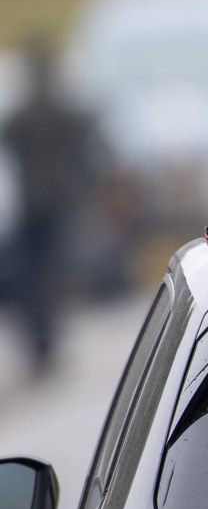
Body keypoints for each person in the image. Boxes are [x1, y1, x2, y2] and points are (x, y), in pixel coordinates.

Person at [1, 34, 102, 376]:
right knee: (45, 274)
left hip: (34, 203)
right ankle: (43, 342)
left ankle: (41, 342)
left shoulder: (22, 117)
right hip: (50, 202)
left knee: (37, 275)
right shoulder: (59, 114)